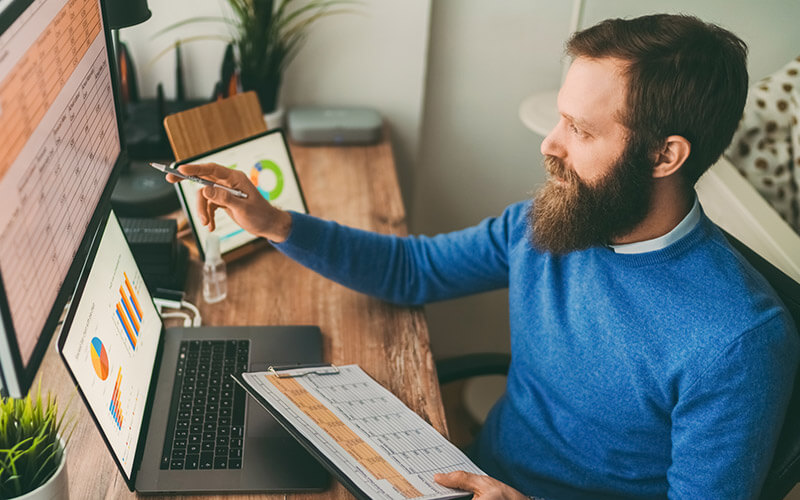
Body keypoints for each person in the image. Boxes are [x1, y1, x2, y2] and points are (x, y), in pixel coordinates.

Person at [169, 14, 799, 500]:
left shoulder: (737, 341)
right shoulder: (555, 222)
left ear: (666, 156)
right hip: (468, 472)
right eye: (561, 119)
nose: (550, 146)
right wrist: (275, 223)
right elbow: (410, 270)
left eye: (581, 131)